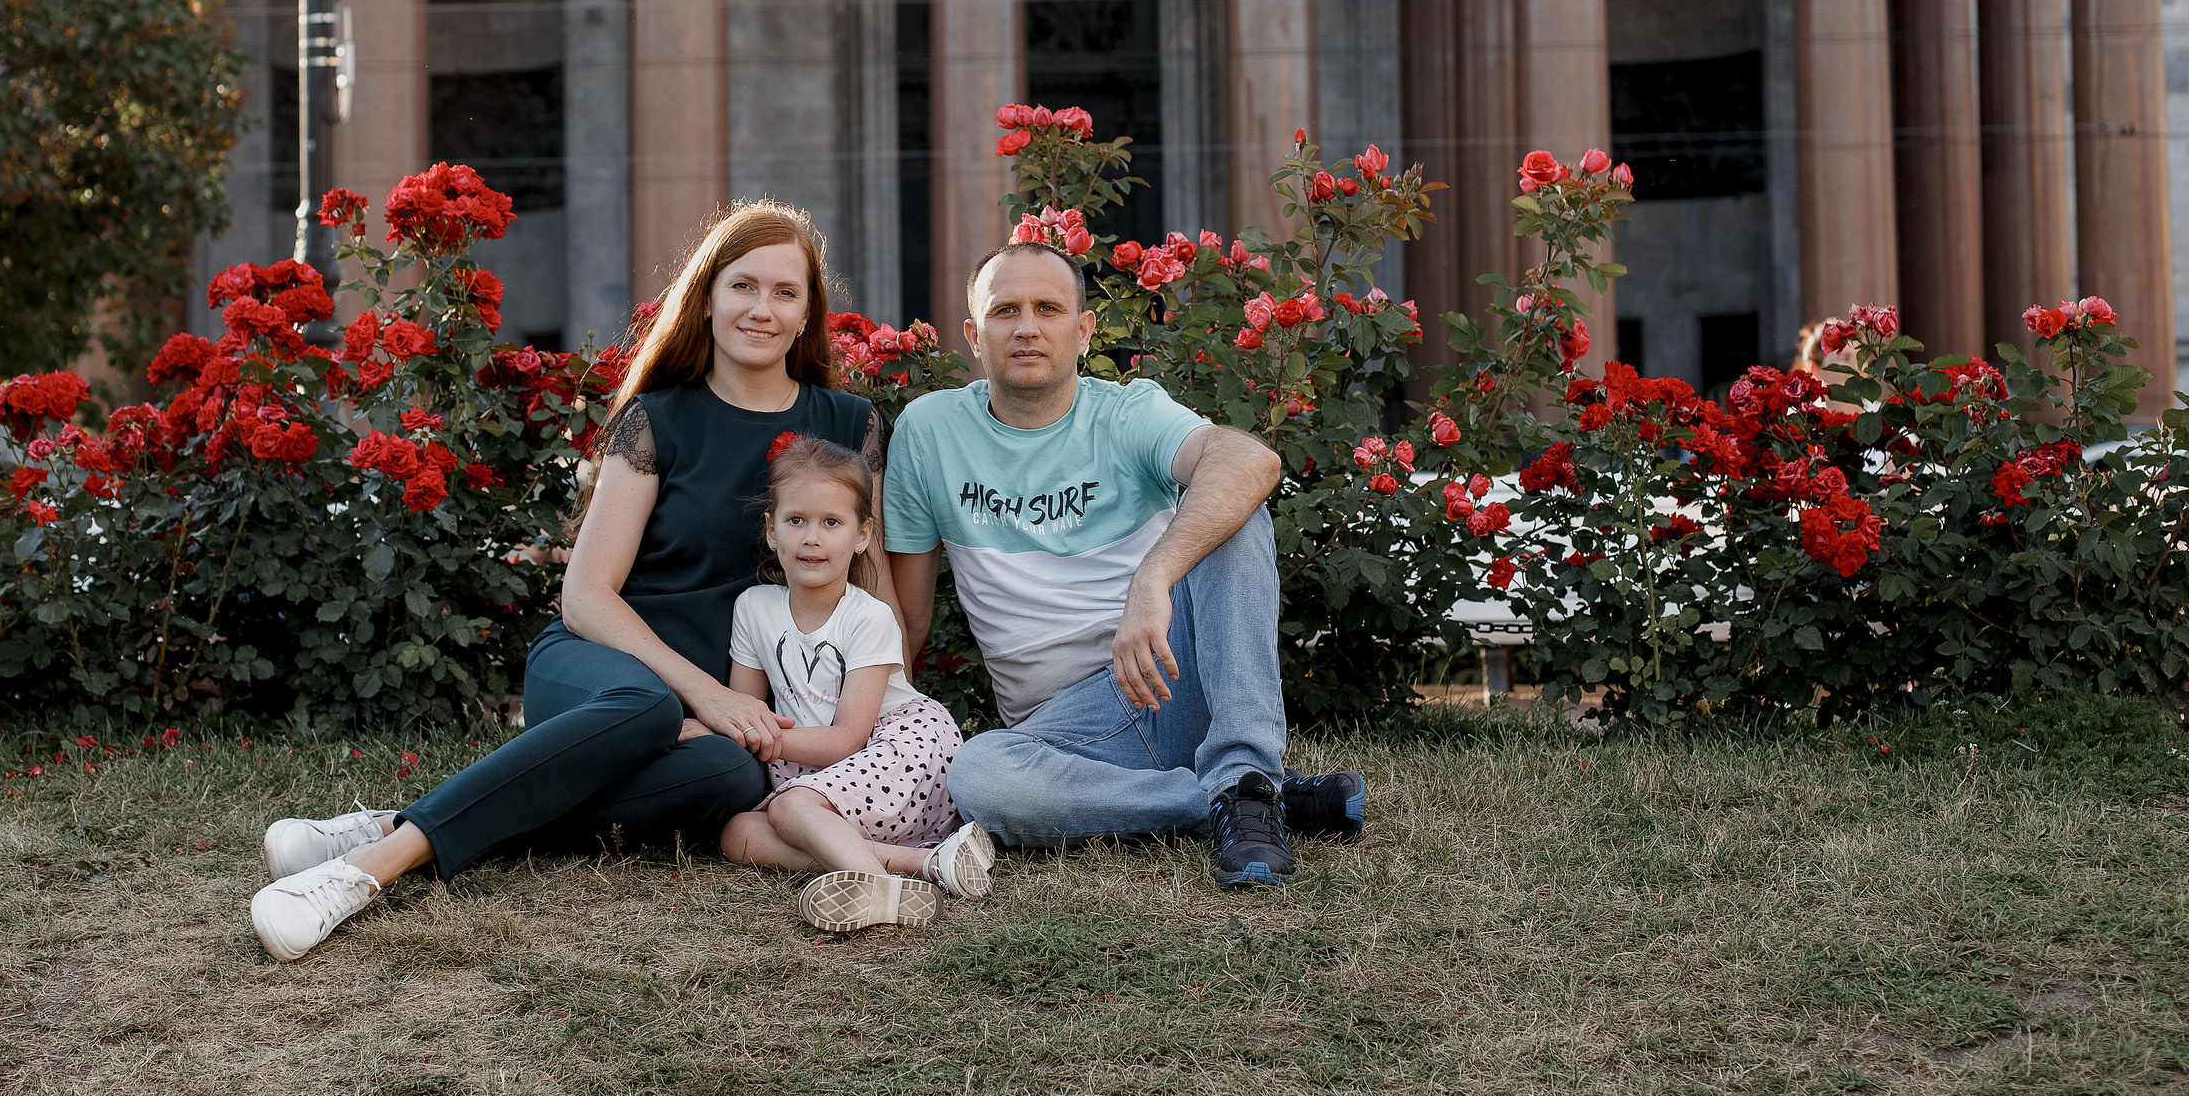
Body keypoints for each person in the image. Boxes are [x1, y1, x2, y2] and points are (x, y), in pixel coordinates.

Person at [248, 202, 887, 963]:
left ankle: (396, 820)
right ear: (706, 298)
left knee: (730, 775)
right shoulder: (657, 419)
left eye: (785, 292)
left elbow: (868, 587)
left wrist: (880, 720)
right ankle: (366, 869)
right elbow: (584, 596)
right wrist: (706, 697)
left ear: (809, 312)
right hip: (599, 671)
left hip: (719, 727)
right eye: (742, 285)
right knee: (647, 704)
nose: (762, 309)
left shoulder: (848, 423)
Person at [884, 240, 1367, 888]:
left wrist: (1152, 577)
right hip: (1067, 739)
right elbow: (907, 624)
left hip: (1170, 679)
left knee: (1236, 512)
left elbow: (1251, 461)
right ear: (974, 336)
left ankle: (1244, 772)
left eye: (1048, 308)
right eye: (1004, 311)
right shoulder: (929, 433)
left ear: (1084, 331)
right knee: (979, 776)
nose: (1026, 328)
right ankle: (1239, 798)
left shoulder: (1127, 412)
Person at [717, 435, 994, 933]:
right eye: (796, 520)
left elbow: (847, 737)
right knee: (737, 834)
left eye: (831, 522)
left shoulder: (868, 617)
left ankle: (873, 885)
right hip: (819, 770)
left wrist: (758, 737)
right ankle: (927, 864)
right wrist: (718, 725)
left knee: (792, 807)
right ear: (771, 530)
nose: (812, 538)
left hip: (899, 749)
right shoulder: (753, 609)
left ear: (862, 534)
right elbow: (745, 708)